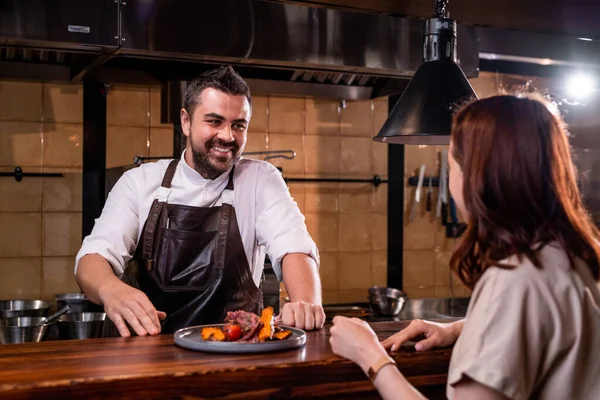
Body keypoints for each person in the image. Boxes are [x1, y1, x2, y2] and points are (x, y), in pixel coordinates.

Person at [329, 94, 600, 400]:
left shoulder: (514, 280)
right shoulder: (577, 255)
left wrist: (370, 356)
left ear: (478, 176)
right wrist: (461, 329)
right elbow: (550, 326)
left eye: (453, 164)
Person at [75, 65, 325, 337]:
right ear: (185, 121)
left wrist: (305, 303)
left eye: (238, 125)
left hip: (236, 355)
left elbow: (294, 247)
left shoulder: (260, 180)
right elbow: (92, 260)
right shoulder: (139, 182)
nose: (228, 136)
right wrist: (112, 289)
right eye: (215, 121)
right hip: (147, 358)